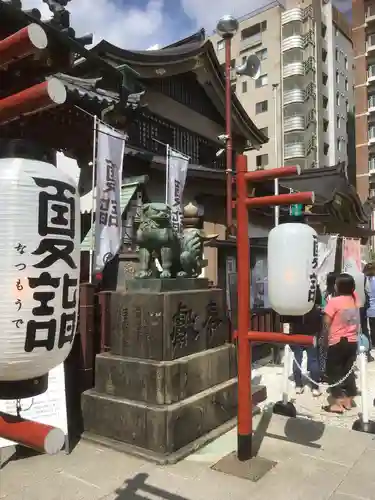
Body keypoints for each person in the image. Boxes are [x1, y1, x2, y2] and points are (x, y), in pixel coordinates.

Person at [323, 273, 359, 414]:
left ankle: (338, 402)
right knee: (348, 370)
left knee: (333, 371)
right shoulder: (355, 300)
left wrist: (325, 338)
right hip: (352, 341)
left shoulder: (334, 302)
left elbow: (327, 321)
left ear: (338, 287)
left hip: (337, 340)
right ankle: (349, 401)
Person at [291, 286, 322, 397]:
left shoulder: (295, 303)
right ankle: (314, 387)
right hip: (312, 331)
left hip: (297, 331)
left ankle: (298, 385)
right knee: (313, 359)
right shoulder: (314, 285)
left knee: (297, 358)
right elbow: (319, 300)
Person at [365, 263, 375, 349]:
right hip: (372, 307)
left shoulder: (365, 280)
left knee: (371, 327)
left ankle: (372, 342)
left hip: (368, 308)